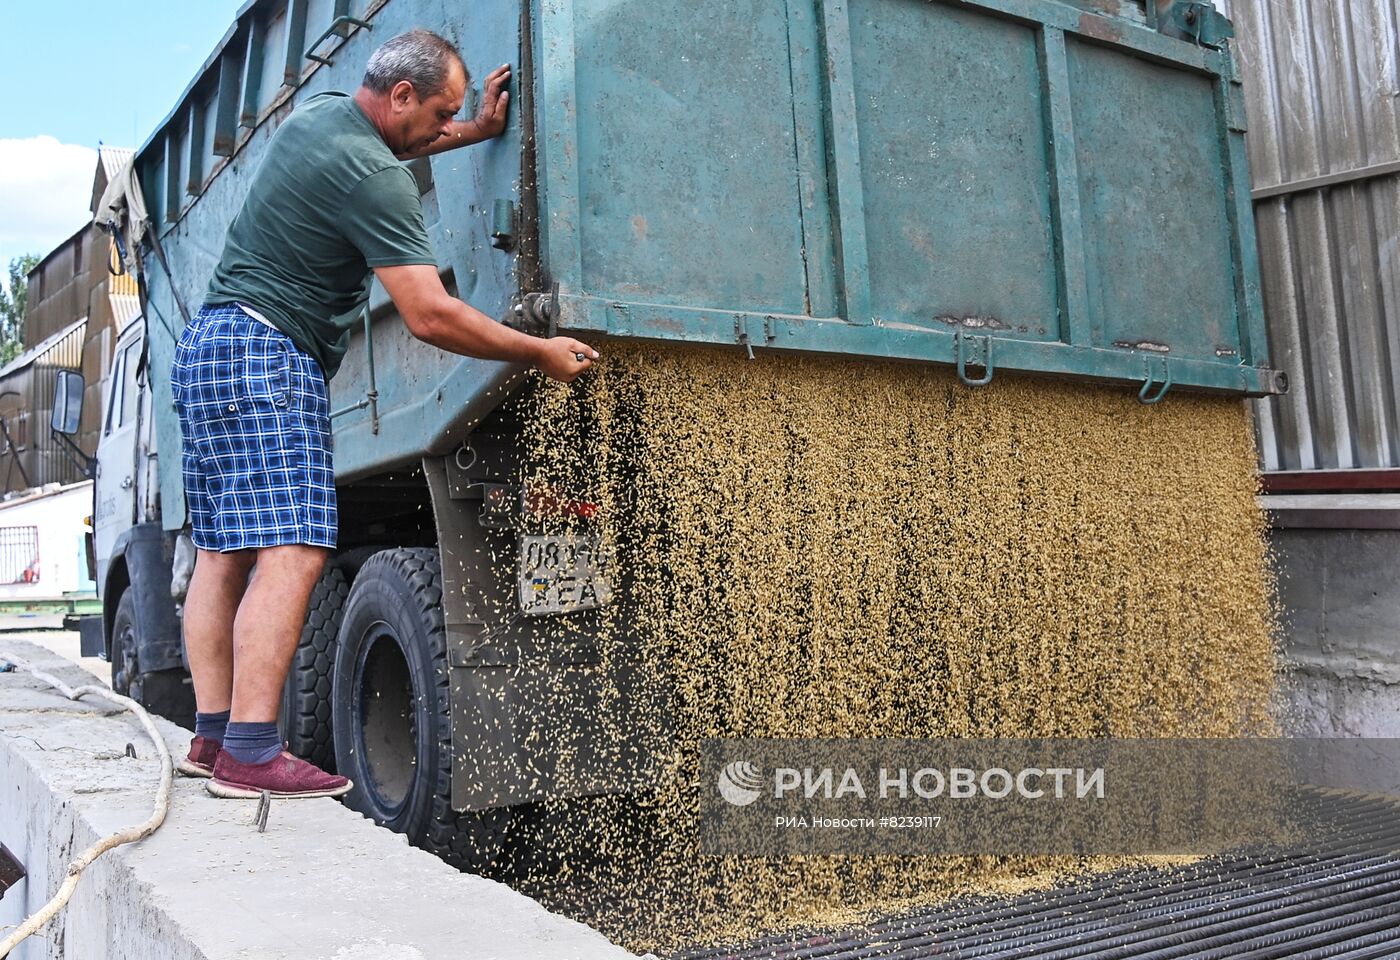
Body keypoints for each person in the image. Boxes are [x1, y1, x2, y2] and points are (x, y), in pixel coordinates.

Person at [169, 29, 597, 799]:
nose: (443, 130)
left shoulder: (325, 115)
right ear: (401, 96)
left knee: (222, 553)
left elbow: (390, 151)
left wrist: (476, 132)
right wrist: (536, 352)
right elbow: (429, 314)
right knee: (294, 549)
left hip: (210, 347)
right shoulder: (375, 175)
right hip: (269, 354)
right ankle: (253, 753)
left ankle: (212, 737)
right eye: (440, 114)